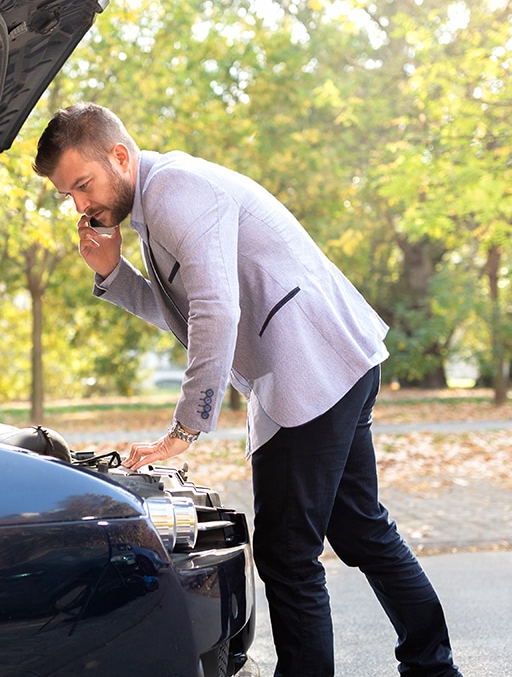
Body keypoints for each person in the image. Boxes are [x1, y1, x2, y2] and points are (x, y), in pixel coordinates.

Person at [33, 103, 462, 677]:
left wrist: (185, 428)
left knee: (287, 555)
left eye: (82, 185)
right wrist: (112, 273)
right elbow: (183, 316)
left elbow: (216, 310)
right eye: (69, 196)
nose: (81, 206)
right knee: (360, 530)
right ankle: (434, 666)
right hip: (333, 360)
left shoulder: (175, 191)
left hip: (309, 368)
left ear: (119, 156)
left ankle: (428, 665)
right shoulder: (154, 205)